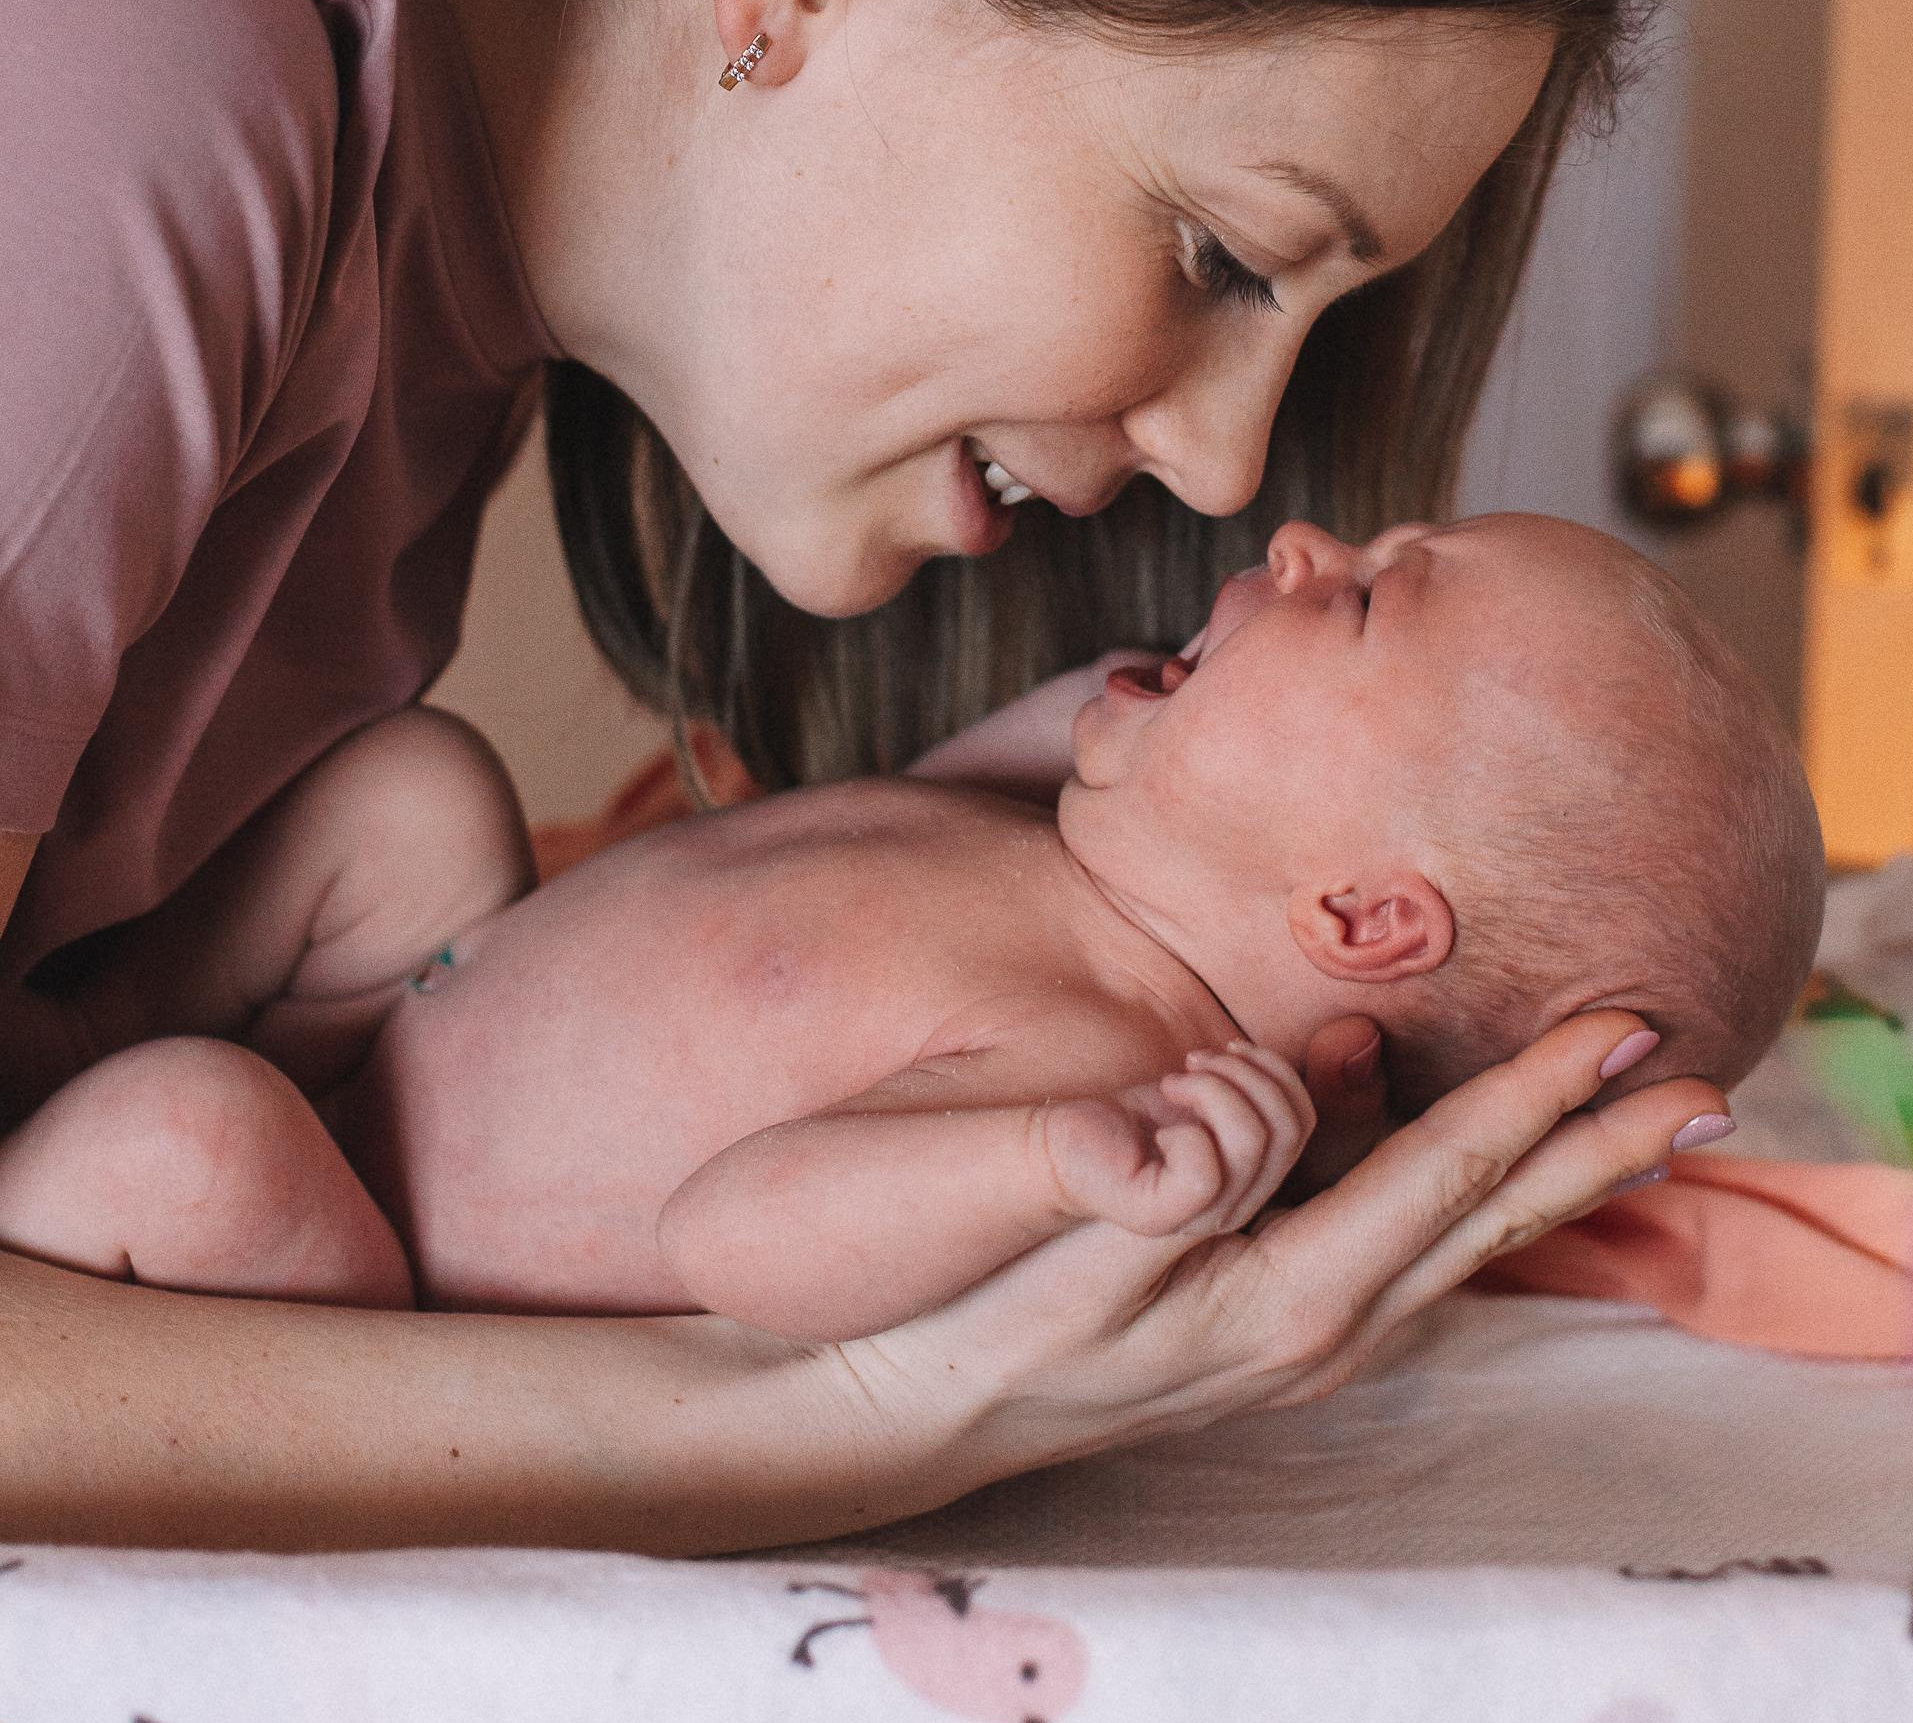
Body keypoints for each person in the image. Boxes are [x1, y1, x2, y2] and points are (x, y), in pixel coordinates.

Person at [0, 0, 1732, 1552]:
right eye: (1223, 250)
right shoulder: (133, 26)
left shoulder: (425, 261)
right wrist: (791, 1426)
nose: (1229, 473)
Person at [0, 513, 1818, 1330]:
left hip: (352, 1248)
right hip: (384, 1014)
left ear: (1358, 913)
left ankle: (61, 1168)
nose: (1300, 545)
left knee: (191, 1139)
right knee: (413, 789)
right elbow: (1008, 798)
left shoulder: (1098, 1065)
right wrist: (1142, 724)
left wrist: (1054, 1164)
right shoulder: (1072, 828)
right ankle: (51, 1031)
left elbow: (743, 1238)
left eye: (1360, 607)